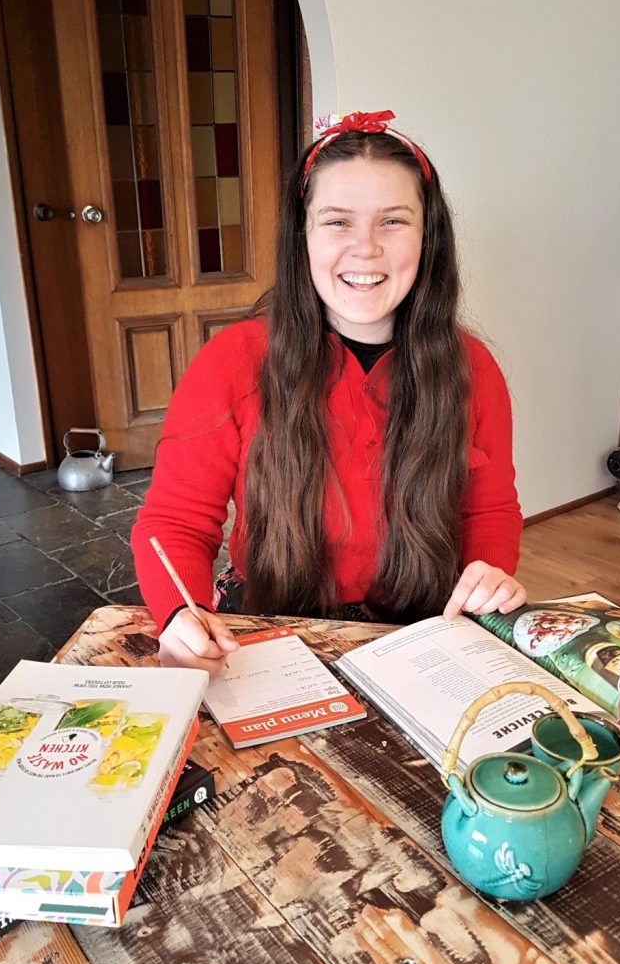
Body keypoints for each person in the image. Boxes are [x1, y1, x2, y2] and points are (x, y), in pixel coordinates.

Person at [131, 110, 526, 673]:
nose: (365, 248)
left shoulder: (474, 369)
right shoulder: (232, 361)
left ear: (428, 236)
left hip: (423, 631)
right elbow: (174, 521)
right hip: (267, 627)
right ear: (303, 236)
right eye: (337, 221)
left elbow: (490, 509)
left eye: (393, 221)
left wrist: (489, 571)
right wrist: (180, 613)